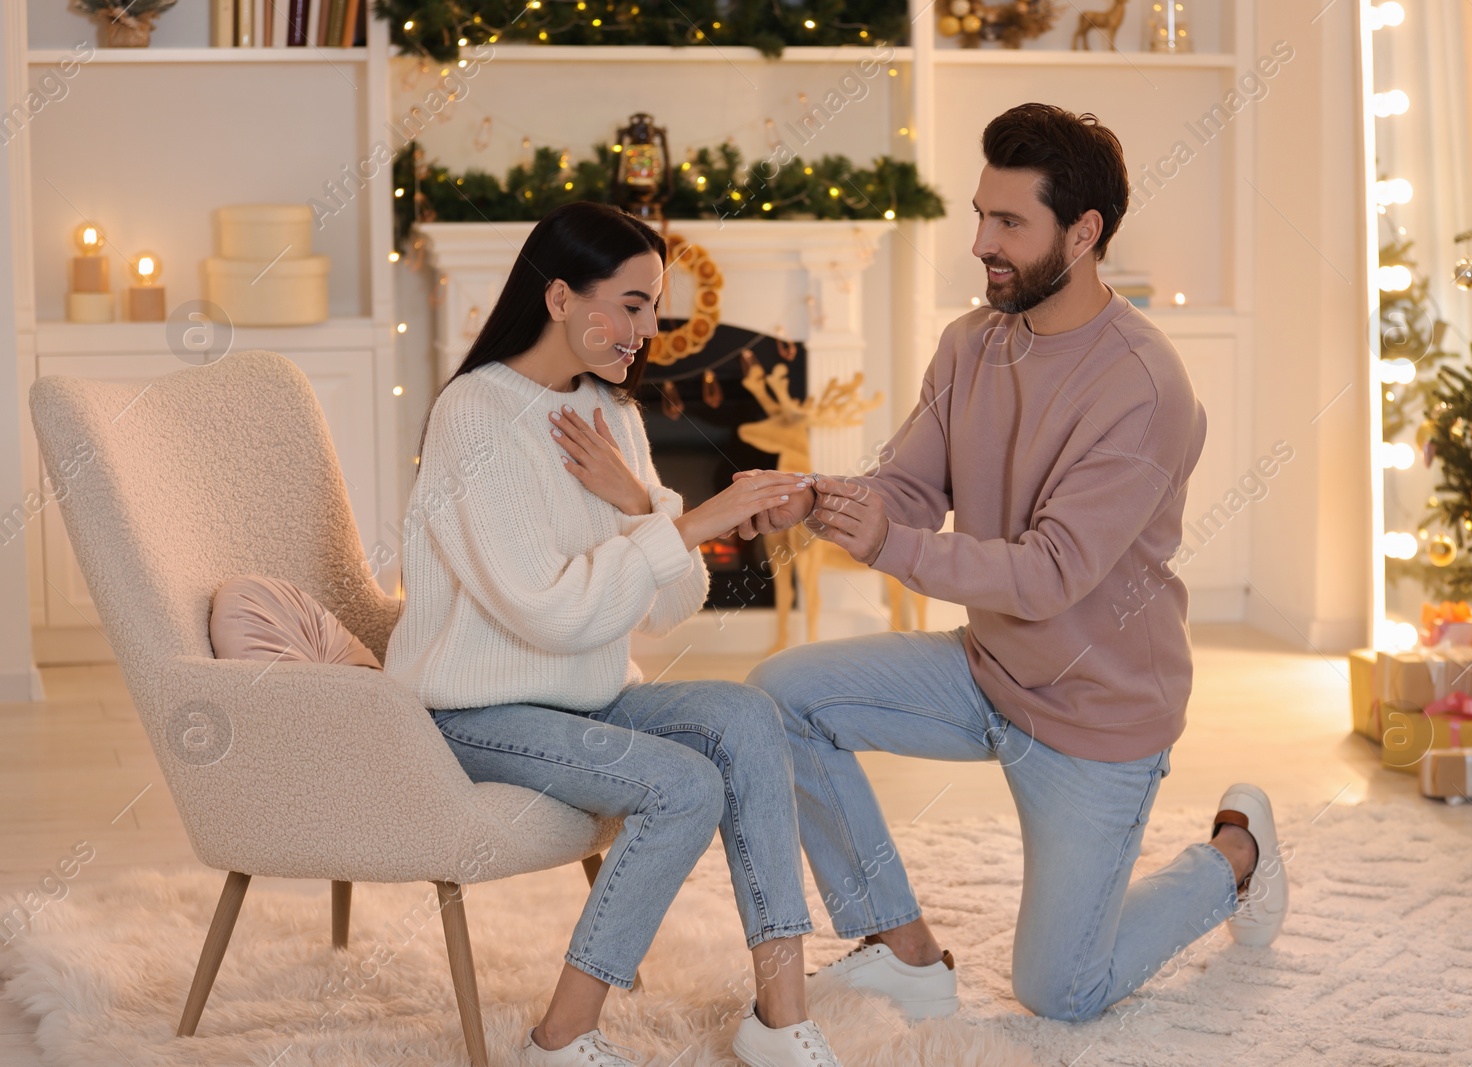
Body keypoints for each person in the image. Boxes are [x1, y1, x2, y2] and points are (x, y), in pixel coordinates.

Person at [740, 103, 1288, 1024]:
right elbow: (908, 488)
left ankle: (1237, 859)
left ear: (1084, 233)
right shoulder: (972, 343)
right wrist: (822, 498)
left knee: (1060, 991)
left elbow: (1049, 575)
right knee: (775, 699)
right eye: (979, 215)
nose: (980, 243)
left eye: (1008, 224)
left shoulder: (1146, 386)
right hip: (985, 671)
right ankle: (901, 947)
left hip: (1094, 716)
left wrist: (890, 545)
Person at [383, 201, 842, 1067]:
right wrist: (691, 516)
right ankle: (561, 1035)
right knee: (679, 785)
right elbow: (549, 613)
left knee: (747, 718)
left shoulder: (611, 413)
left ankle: (781, 1016)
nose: (648, 329)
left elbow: (673, 606)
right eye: (631, 304)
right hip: (475, 713)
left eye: (655, 308)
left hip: (591, 696)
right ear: (559, 295)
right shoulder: (473, 417)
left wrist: (643, 502)